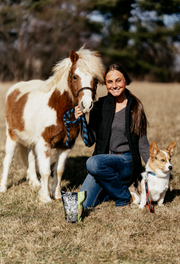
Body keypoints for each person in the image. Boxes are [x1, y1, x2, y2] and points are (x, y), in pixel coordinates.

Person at [75, 64, 150, 209]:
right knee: (83, 204)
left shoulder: (136, 107)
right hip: (103, 160)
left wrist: (152, 172)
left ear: (125, 81)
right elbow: (90, 141)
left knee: (92, 163)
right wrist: (81, 120)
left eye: (118, 80)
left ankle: (123, 197)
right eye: (110, 82)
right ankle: (116, 189)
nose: (114, 85)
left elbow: (143, 144)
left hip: (126, 161)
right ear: (106, 84)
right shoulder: (98, 107)